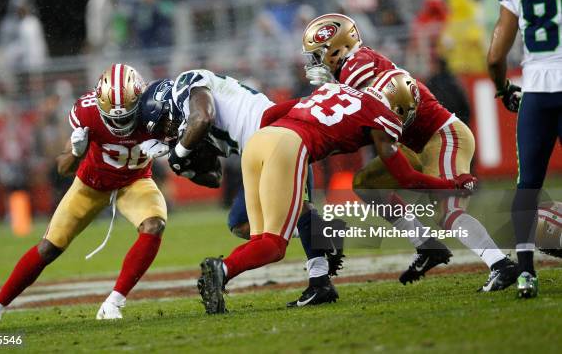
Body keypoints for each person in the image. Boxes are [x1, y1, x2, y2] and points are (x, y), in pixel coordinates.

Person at [197, 70, 477, 314]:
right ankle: (220, 270)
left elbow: (271, 114)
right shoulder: (384, 117)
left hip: (257, 142)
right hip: (288, 146)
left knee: (258, 238)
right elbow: (405, 177)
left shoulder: (335, 89)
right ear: (400, 105)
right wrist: (452, 184)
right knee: (273, 245)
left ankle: (228, 274)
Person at [302, 13, 518, 292]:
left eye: (318, 54)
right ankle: (426, 245)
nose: (314, 63)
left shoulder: (357, 65)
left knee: (448, 212)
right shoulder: (354, 66)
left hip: (441, 135)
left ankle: (501, 264)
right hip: (414, 143)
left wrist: (331, 92)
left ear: (337, 48)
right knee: (366, 184)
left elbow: (364, 117)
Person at [0, 64, 168, 331]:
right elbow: (62, 168)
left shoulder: (158, 108)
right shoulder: (87, 111)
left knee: (155, 224)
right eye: (112, 118)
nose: (119, 124)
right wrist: (76, 152)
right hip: (90, 185)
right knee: (48, 247)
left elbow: (188, 151)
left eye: (125, 116)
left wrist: (173, 149)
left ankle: (113, 303)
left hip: (135, 182)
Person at [139, 70, 343, 307]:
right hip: (264, 146)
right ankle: (319, 256)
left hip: (273, 132)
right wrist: (184, 168)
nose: (168, 131)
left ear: (167, 102)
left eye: (165, 123)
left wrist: (179, 153)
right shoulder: (191, 122)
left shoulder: (189, 83)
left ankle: (316, 268)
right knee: (242, 222)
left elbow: (203, 117)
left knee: (278, 235)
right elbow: (214, 177)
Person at [486, 0, 562, 298]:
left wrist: (503, 89)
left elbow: (495, 56)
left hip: (536, 91)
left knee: (527, 184)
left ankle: (527, 273)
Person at [0, 0, 48, 72]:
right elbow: (4, 46)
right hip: (12, 64)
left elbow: (38, 44)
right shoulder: (7, 24)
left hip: (34, 62)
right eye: (20, 8)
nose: (23, 10)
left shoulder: (33, 22)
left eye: (25, 7)